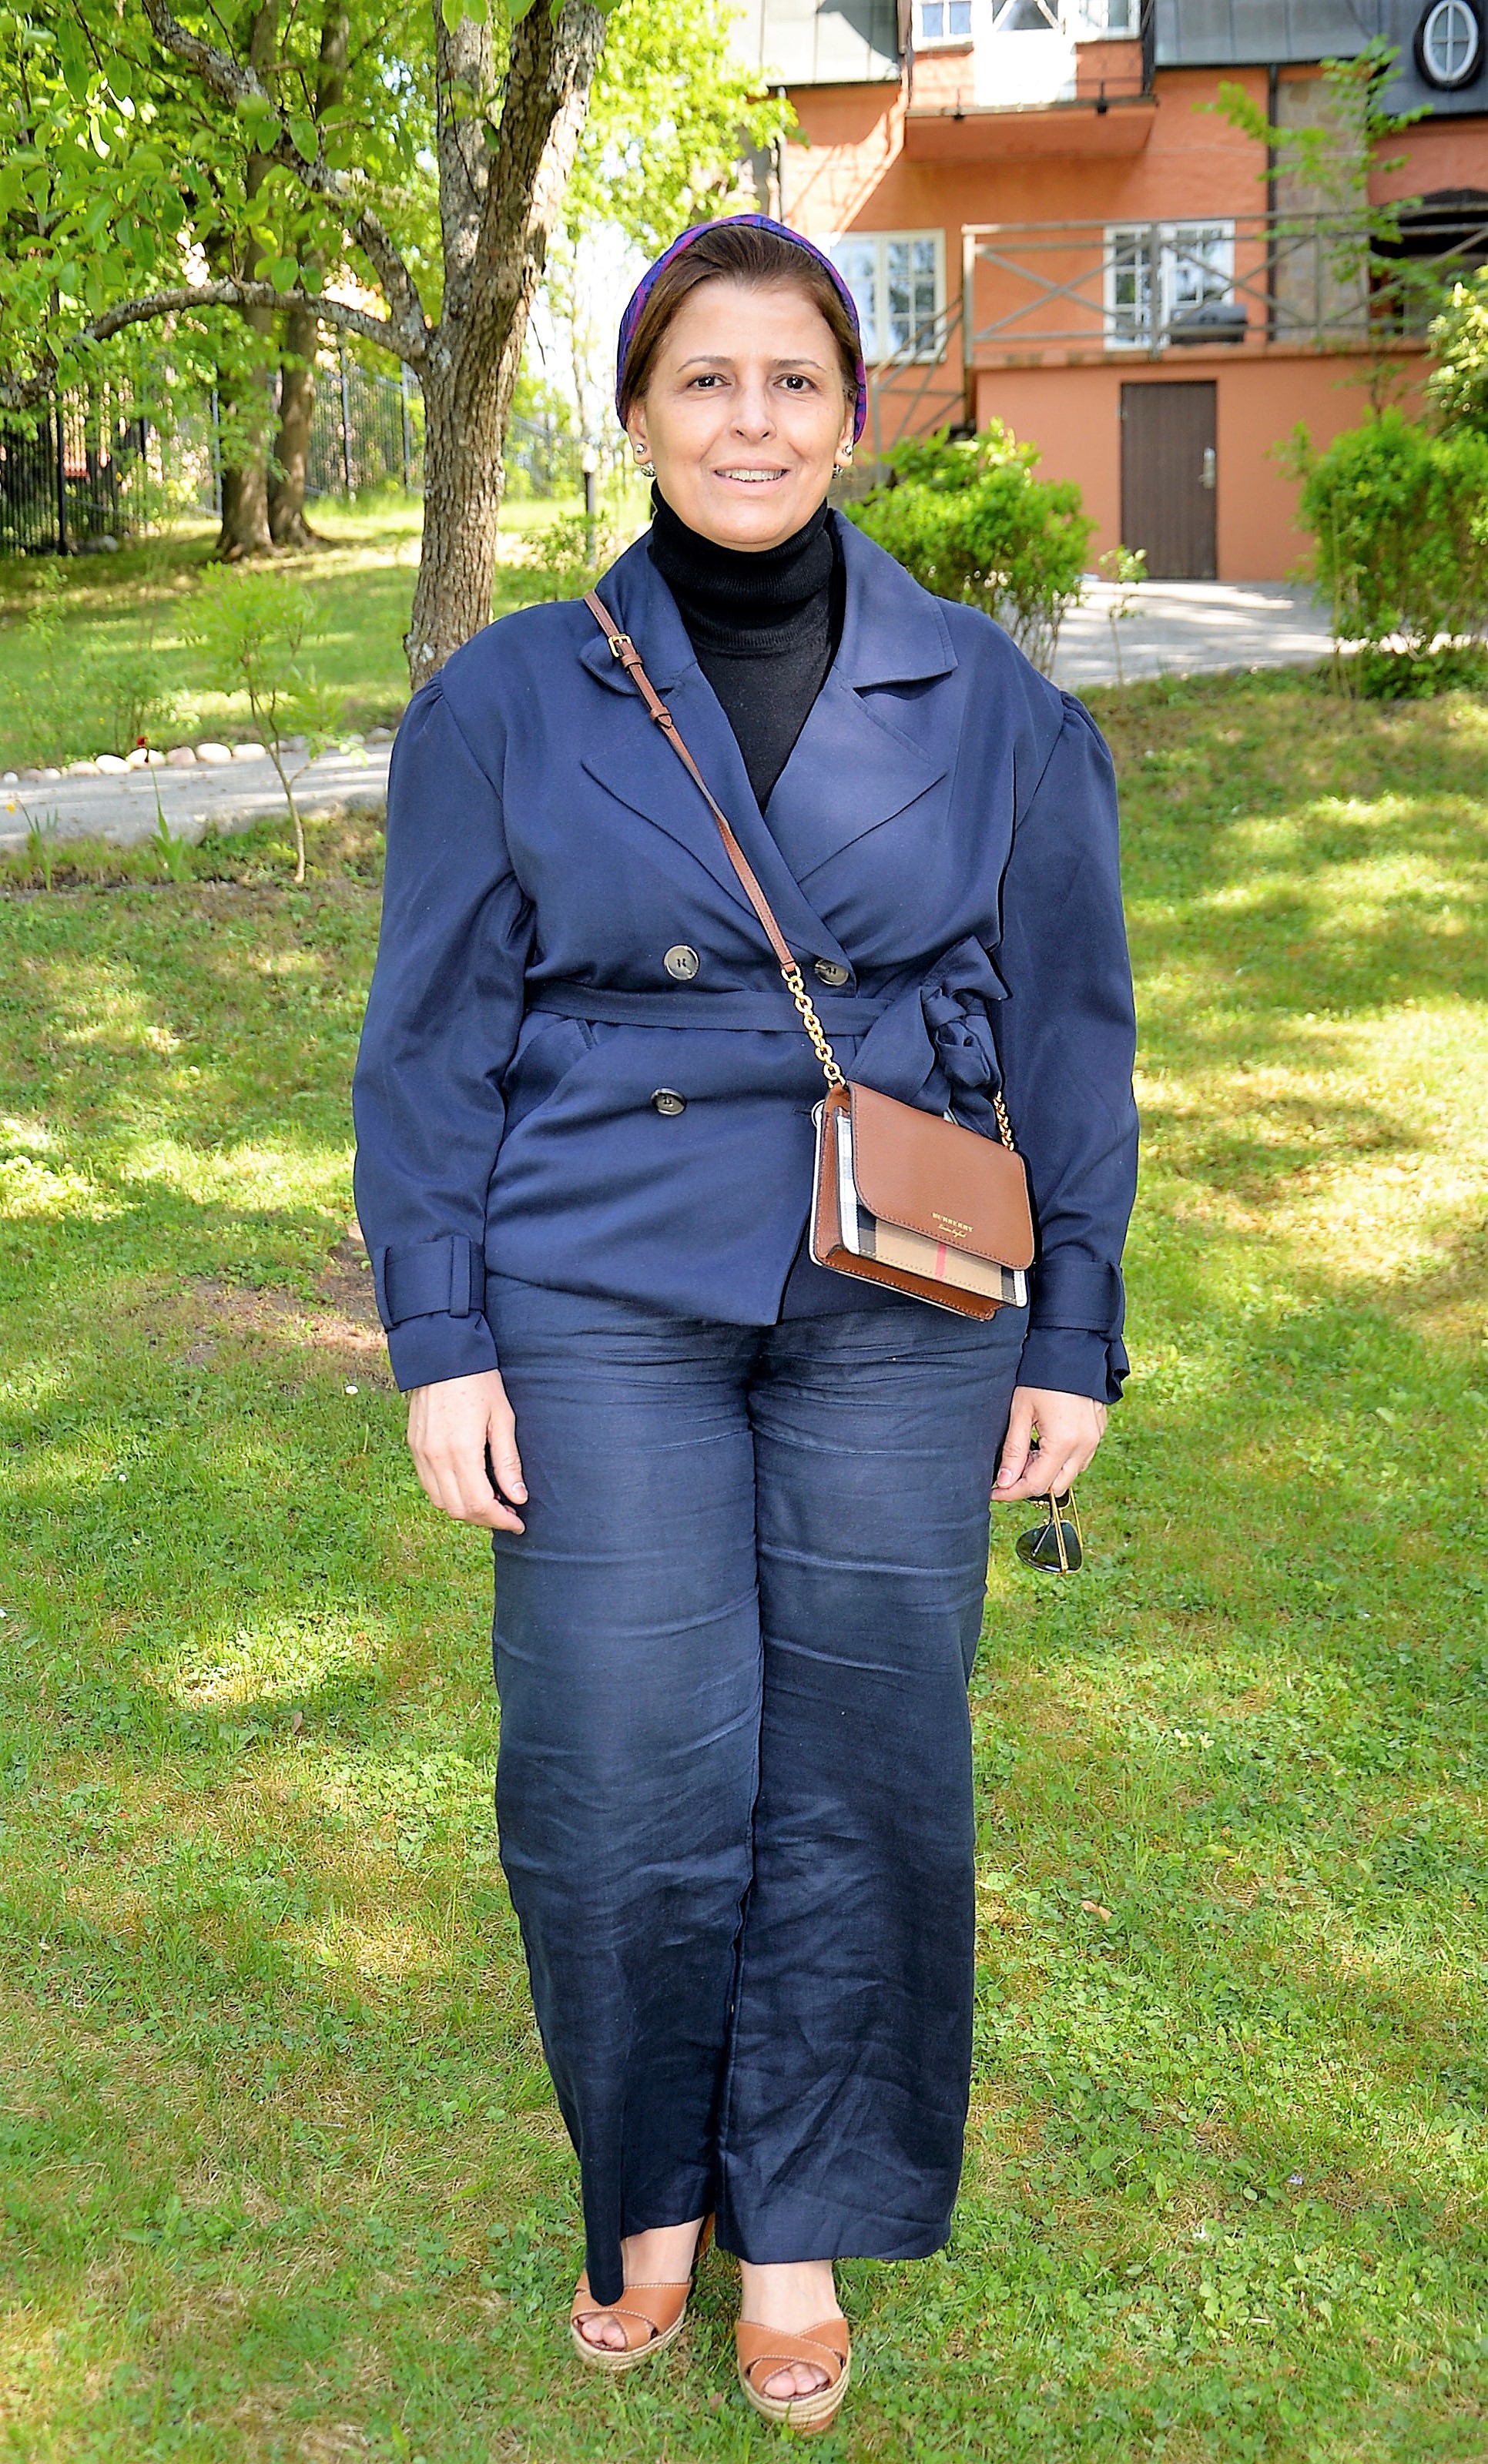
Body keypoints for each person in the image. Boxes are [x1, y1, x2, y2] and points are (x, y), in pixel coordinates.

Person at [353, 213, 1137, 2436]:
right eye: (704, 379)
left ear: (855, 418)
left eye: (796, 380)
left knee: (864, 1765)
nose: (752, 422)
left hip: (905, 1295)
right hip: (595, 1285)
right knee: (617, 1762)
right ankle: (652, 2193)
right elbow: (429, 1045)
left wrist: (1073, 1327)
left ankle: (792, 2219)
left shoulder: (992, 701)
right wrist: (440, 1334)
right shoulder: (511, 695)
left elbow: (1073, 1034)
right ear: (634, 415)